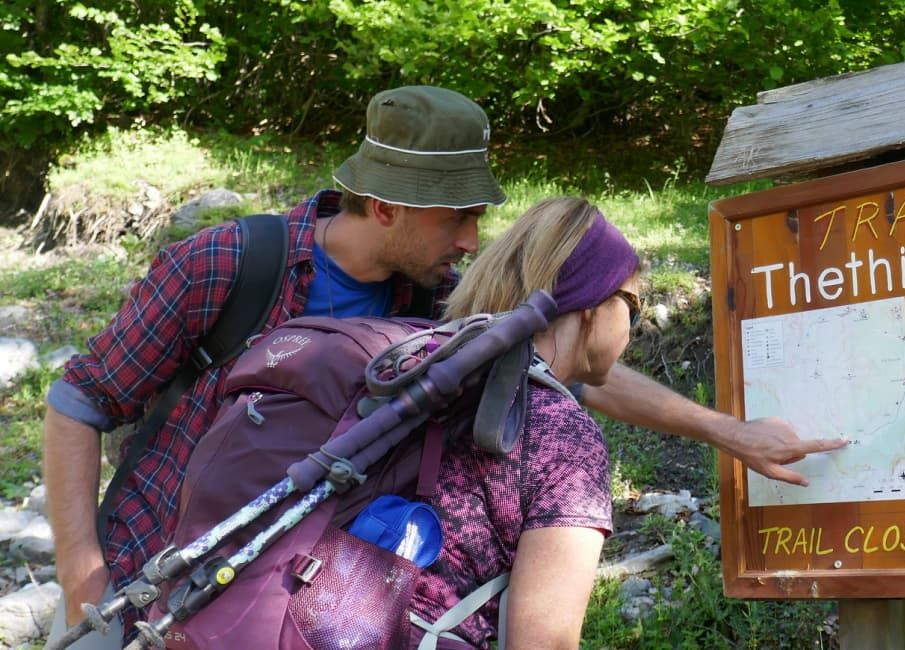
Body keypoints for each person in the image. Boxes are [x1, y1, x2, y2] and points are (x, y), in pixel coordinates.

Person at [42, 85, 845, 646]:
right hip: (147, 587)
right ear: (386, 206)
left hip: (286, 611)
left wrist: (726, 431)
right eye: (456, 218)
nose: (471, 241)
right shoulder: (228, 265)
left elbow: (570, 376)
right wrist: (85, 577)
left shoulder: (433, 307)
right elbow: (81, 399)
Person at [407, 196, 634, 648]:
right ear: (592, 305)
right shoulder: (563, 435)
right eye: (633, 305)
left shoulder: (427, 372)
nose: (633, 325)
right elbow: (544, 643)